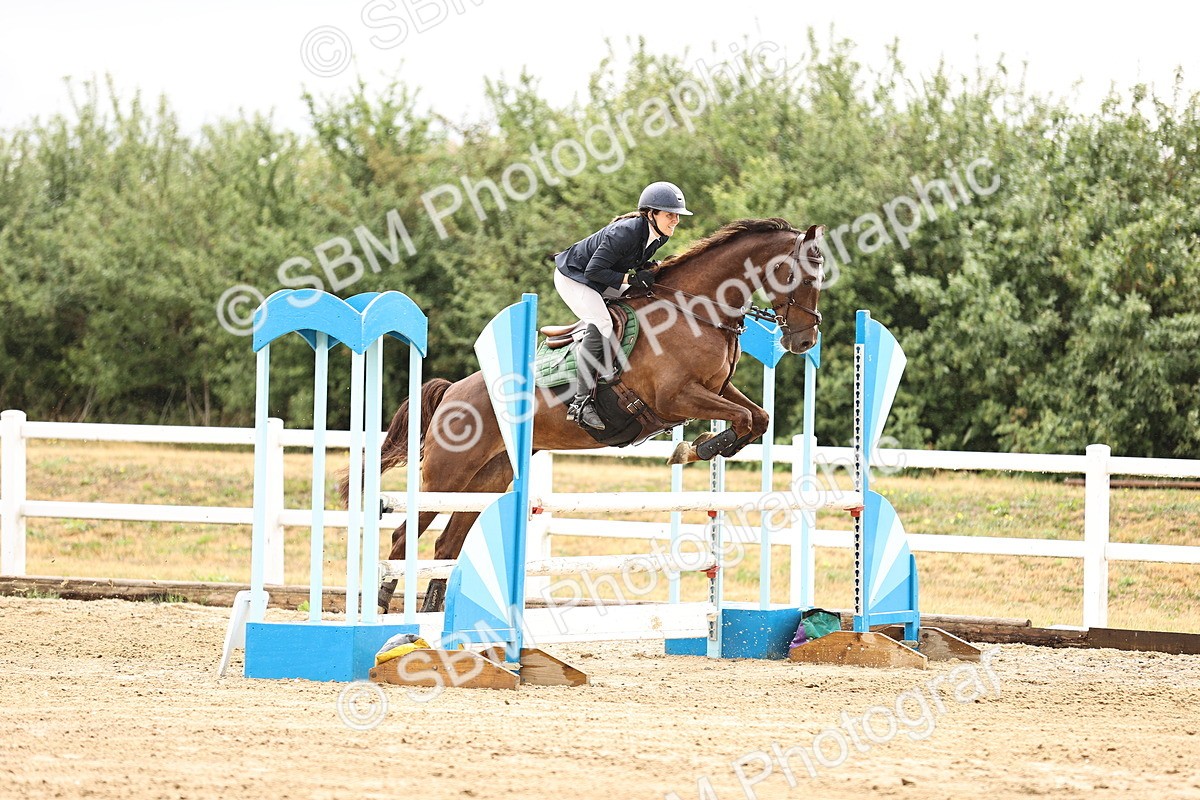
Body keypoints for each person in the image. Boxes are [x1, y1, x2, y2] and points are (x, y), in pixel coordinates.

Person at [552, 181, 692, 430]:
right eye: (670, 215)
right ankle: (580, 404)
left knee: (643, 298)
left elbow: (629, 265)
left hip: (597, 276)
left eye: (677, 216)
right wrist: (630, 278)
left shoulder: (658, 237)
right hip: (573, 277)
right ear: (652, 213)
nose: (675, 221)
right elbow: (594, 271)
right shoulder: (625, 232)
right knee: (602, 321)